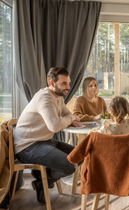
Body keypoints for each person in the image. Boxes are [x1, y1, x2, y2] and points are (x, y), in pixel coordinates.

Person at [13, 67, 83, 204]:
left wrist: (68, 118)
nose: (68, 87)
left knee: (80, 155)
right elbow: (55, 126)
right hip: (27, 146)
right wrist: (69, 119)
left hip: (44, 141)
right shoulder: (44, 98)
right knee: (69, 165)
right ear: (51, 83)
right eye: (64, 83)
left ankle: (43, 179)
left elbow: (67, 114)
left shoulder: (58, 97)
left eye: (68, 83)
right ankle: (41, 180)